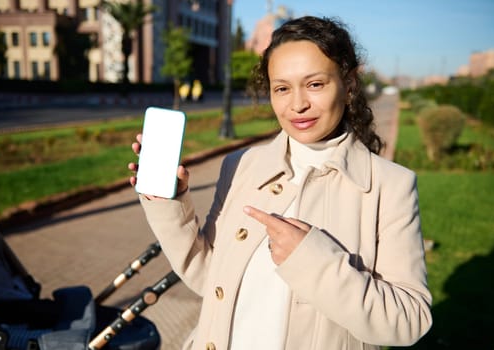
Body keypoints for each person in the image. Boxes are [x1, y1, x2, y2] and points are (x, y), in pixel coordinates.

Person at [128, 15, 432, 350]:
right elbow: (209, 278)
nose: (297, 104)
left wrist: (311, 259)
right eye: (282, 88)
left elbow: (408, 322)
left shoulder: (390, 186)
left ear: (349, 84)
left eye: (315, 84)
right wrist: (171, 202)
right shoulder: (241, 165)